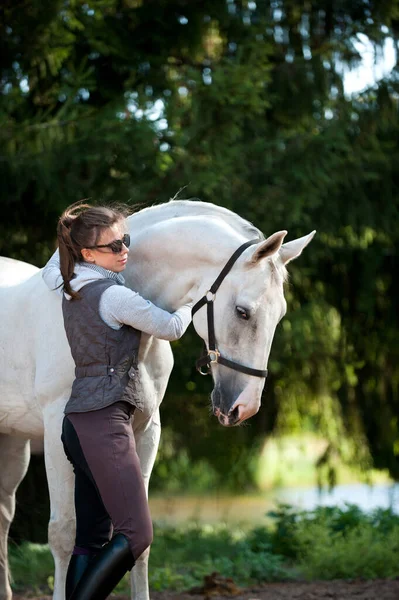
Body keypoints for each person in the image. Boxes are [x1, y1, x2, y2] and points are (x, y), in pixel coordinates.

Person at [42, 201, 193, 600]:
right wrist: (195, 296)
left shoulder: (65, 281)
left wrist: (75, 237)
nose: (124, 250)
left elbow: (50, 267)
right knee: (137, 533)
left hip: (77, 424)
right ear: (88, 253)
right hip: (104, 424)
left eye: (126, 240)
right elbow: (172, 327)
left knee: (92, 537)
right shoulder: (115, 297)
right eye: (112, 246)